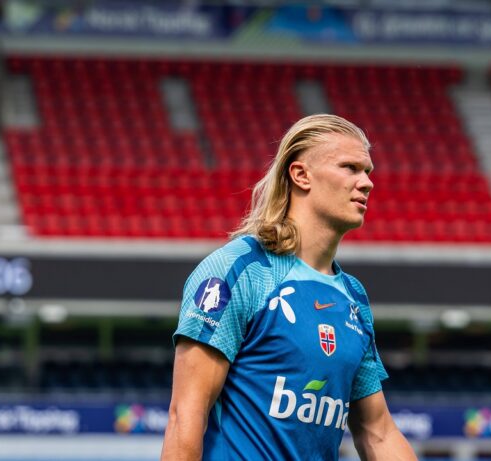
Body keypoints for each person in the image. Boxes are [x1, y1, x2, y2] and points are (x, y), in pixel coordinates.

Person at [161, 114, 417, 460]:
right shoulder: (239, 270)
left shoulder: (352, 297)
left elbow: (378, 432)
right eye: (350, 168)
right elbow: (185, 416)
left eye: (367, 171)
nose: (367, 182)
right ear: (300, 175)